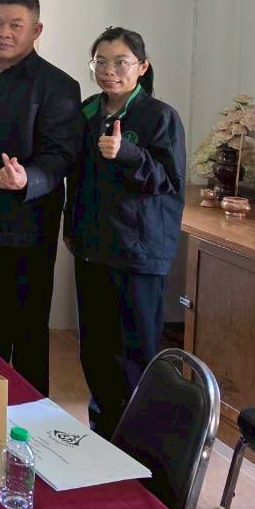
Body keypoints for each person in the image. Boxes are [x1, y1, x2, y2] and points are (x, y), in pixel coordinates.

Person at [0, 0, 81, 395]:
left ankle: (30, 417)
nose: (4, 33)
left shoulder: (57, 85)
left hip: (25, 228)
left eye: (16, 25)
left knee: (25, 335)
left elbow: (61, 156)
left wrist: (27, 178)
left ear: (36, 30)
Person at [67, 27, 185, 438]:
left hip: (137, 254)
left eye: (120, 62)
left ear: (142, 67)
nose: (109, 71)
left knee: (132, 357)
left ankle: (138, 446)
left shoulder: (159, 117)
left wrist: (128, 154)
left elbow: (169, 181)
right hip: (91, 248)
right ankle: (104, 436)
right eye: (101, 62)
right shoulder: (88, 112)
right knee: (95, 352)